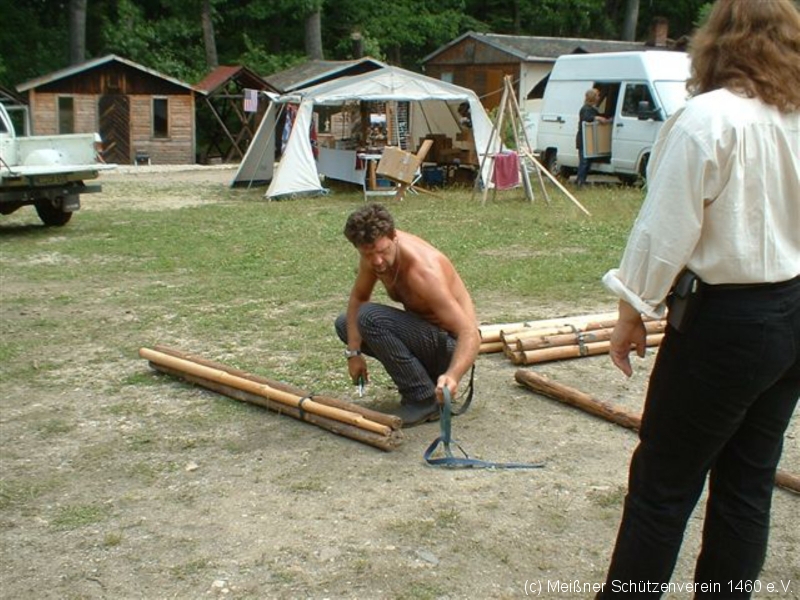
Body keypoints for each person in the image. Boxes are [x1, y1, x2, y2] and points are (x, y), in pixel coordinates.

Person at [597, 0, 800, 597]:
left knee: (663, 485)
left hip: (732, 323)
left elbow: (663, 231)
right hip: (793, 314)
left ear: (718, 41)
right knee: (748, 479)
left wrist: (631, 310)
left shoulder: (708, 118)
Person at [335, 203, 480, 426]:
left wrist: (453, 375)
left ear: (393, 236)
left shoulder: (422, 272)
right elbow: (359, 297)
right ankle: (423, 383)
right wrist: (353, 353)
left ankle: (423, 399)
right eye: (367, 254)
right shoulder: (375, 251)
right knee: (346, 323)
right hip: (426, 338)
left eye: (382, 251)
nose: (377, 261)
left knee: (369, 317)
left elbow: (470, 333)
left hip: (452, 347)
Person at [575, 88, 610, 186]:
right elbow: (586, 118)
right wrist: (597, 118)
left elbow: (599, 115)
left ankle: (581, 180)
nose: (599, 97)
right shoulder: (585, 109)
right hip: (584, 140)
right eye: (597, 96)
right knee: (584, 162)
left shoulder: (593, 109)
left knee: (587, 162)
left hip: (589, 140)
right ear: (592, 97)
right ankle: (580, 182)